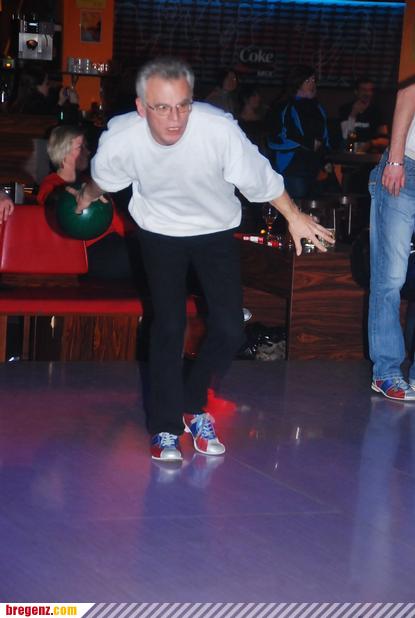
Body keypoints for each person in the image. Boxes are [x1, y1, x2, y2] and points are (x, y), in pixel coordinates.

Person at [70, 57, 333, 461]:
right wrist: (84, 200)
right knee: (169, 325)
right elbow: (101, 181)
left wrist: (294, 216)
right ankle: (165, 426)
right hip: (159, 232)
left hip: (214, 231)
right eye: (162, 108)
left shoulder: (218, 129)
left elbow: (260, 177)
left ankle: (193, 403)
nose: (175, 119)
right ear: (141, 107)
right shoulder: (122, 138)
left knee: (229, 328)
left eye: (183, 106)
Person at [37, 125, 140, 281]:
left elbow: (115, 219)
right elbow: (54, 206)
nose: (88, 152)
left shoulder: (90, 183)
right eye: (81, 147)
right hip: (88, 252)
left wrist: (137, 233)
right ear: (63, 152)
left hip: (113, 243)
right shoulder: (51, 185)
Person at [369, 82, 415, 401]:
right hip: (407, 169)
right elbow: (408, 95)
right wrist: (395, 160)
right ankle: (386, 371)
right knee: (391, 278)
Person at [268, 64, 331, 199]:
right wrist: (308, 143)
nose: (312, 84)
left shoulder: (317, 108)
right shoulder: (284, 107)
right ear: (297, 83)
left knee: (320, 200)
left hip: (314, 166)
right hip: (292, 167)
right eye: (307, 80)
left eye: (313, 80)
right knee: (298, 200)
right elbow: (275, 139)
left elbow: (325, 136)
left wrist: (325, 158)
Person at [10, 64, 79, 121]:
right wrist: (73, 104)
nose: (49, 87)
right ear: (36, 86)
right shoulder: (39, 106)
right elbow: (57, 121)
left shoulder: (17, 105)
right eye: (47, 83)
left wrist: (60, 102)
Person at [339, 78, 389, 151]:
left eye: (369, 90)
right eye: (363, 90)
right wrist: (353, 115)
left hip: (370, 150)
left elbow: (384, 139)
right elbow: (345, 136)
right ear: (356, 92)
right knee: (346, 144)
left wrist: (370, 143)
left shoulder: (377, 112)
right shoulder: (345, 109)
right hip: (350, 147)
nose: (367, 93)